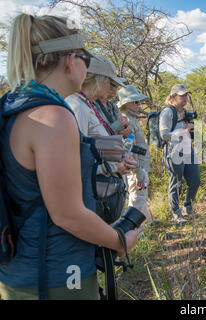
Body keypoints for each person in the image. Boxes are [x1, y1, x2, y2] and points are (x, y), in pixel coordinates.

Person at [0, 14, 143, 300]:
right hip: (58, 274)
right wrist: (119, 241)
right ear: (69, 60)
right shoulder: (55, 116)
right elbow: (67, 215)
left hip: (18, 270)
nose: (85, 68)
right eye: (85, 59)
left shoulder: (13, 106)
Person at [65, 55, 136, 178]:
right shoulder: (77, 106)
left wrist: (122, 158)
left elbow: (96, 148)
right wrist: (115, 167)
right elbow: (74, 161)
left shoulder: (88, 105)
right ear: (99, 80)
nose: (113, 89)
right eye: (110, 82)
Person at [118, 85, 159, 225]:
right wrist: (138, 173)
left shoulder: (131, 119)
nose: (139, 104)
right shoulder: (126, 121)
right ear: (126, 103)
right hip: (136, 167)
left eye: (139, 101)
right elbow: (129, 150)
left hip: (139, 166)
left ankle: (148, 222)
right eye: (135, 102)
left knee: (139, 197)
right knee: (137, 199)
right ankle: (131, 227)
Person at [160, 84, 200, 225]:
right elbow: (164, 135)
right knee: (176, 183)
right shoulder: (167, 112)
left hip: (188, 149)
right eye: (181, 95)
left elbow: (192, 134)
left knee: (195, 179)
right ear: (173, 97)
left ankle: (187, 207)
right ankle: (176, 212)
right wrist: (183, 129)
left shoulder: (187, 113)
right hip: (174, 151)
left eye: (186, 95)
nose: (185, 98)